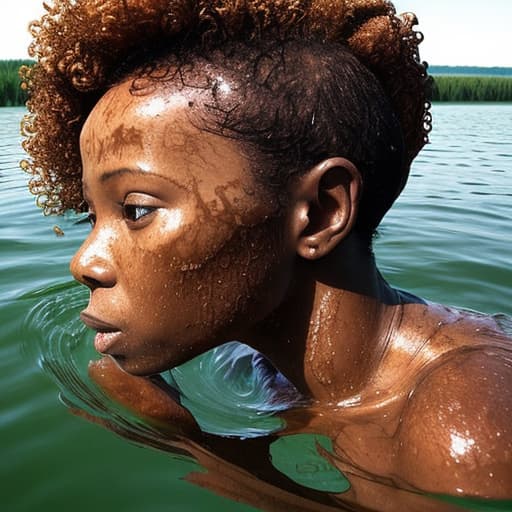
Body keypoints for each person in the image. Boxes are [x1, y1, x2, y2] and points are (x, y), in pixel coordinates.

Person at [21, 0, 512, 510]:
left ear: (320, 212)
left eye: (137, 209)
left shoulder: (466, 425)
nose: (84, 262)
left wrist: (187, 443)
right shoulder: (255, 358)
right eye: (90, 215)